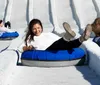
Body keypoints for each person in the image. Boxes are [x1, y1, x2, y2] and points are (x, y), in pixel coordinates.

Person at [18, 19, 92, 52]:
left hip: (56, 46)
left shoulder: (48, 34)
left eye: (38, 28)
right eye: (34, 29)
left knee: (68, 44)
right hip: (47, 51)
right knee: (56, 45)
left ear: (41, 27)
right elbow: (20, 48)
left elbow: (59, 39)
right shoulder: (30, 38)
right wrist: (27, 48)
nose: (37, 30)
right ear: (31, 29)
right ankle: (67, 36)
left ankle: (82, 38)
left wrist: (64, 41)